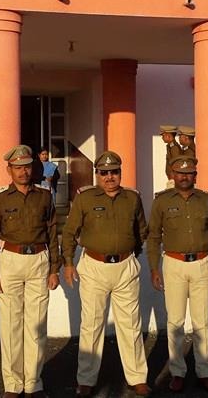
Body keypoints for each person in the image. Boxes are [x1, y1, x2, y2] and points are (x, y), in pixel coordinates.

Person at [61, 151, 151, 397]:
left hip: (125, 267)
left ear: (120, 173)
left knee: (131, 325)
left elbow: (141, 231)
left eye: (114, 172)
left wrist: (129, 253)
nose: (109, 177)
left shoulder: (132, 198)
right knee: (91, 325)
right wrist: (68, 262)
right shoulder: (85, 198)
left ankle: (137, 377)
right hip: (94, 267)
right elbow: (69, 232)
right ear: (97, 175)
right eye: (104, 173)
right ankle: (86, 380)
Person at [0, 145, 60, 398]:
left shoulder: (44, 195)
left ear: (32, 168)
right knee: (10, 326)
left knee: (36, 325)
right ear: (9, 170)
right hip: (10, 261)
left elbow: (52, 233)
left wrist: (54, 268)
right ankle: (13, 384)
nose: (23, 172)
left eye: (26, 167)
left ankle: (33, 383)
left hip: (39, 260)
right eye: (17, 168)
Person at [147, 155, 208, 393]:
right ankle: (177, 371)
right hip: (174, 264)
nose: (184, 177)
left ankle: (204, 372)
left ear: (195, 175)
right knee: (175, 321)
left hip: (202, 263)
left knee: (202, 322)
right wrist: (154, 268)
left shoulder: (206, 200)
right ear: (173, 174)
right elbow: (154, 237)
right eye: (180, 173)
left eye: (189, 173)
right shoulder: (161, 201)